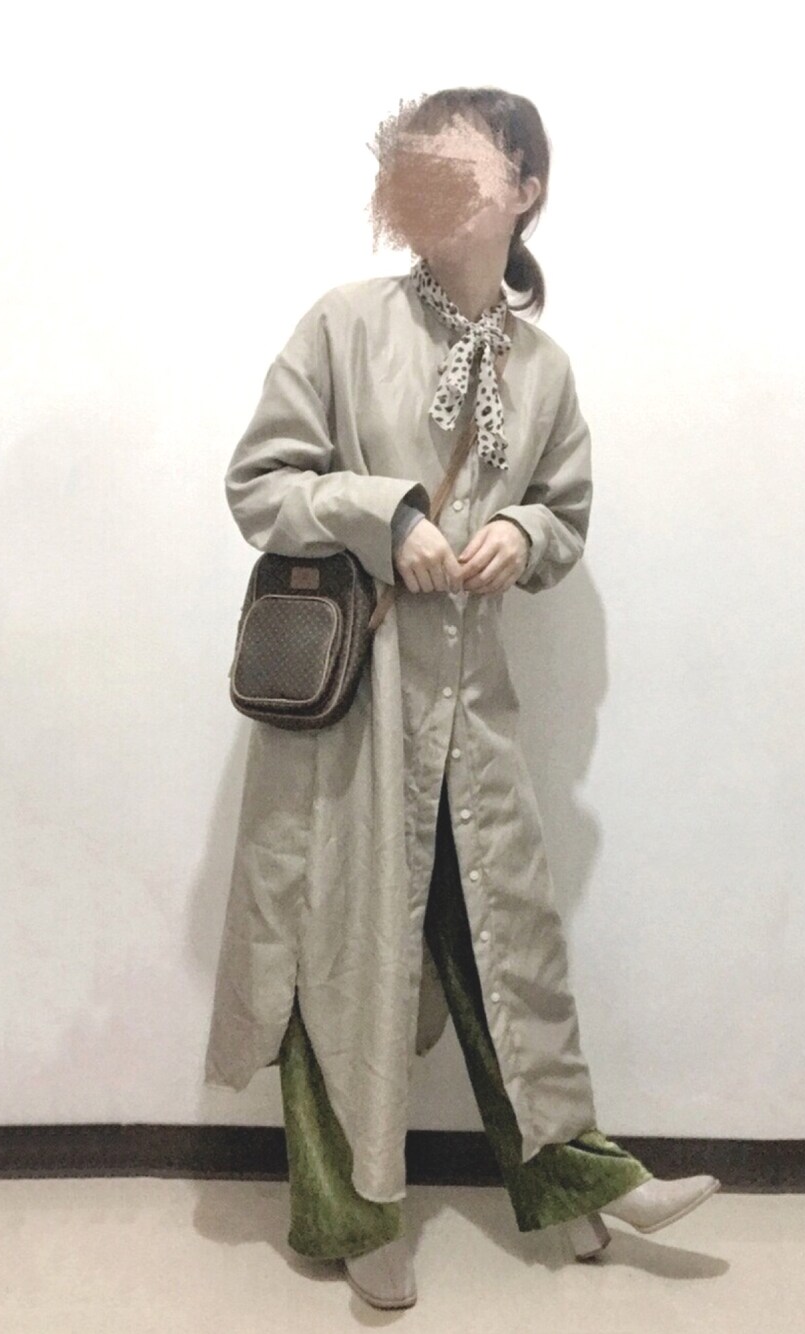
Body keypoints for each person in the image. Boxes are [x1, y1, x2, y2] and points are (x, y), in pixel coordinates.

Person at [205, 86, 720, 1311]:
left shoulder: (545, 369)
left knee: (504, 944)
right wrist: (384, 515)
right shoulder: (345, 323)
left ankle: (577, 1178)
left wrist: (525, 533)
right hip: (355, 711)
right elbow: (259, 482)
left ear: (525, 188)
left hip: (471, 709)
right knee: (337, 951)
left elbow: (566, 513)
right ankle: (352, 1211)